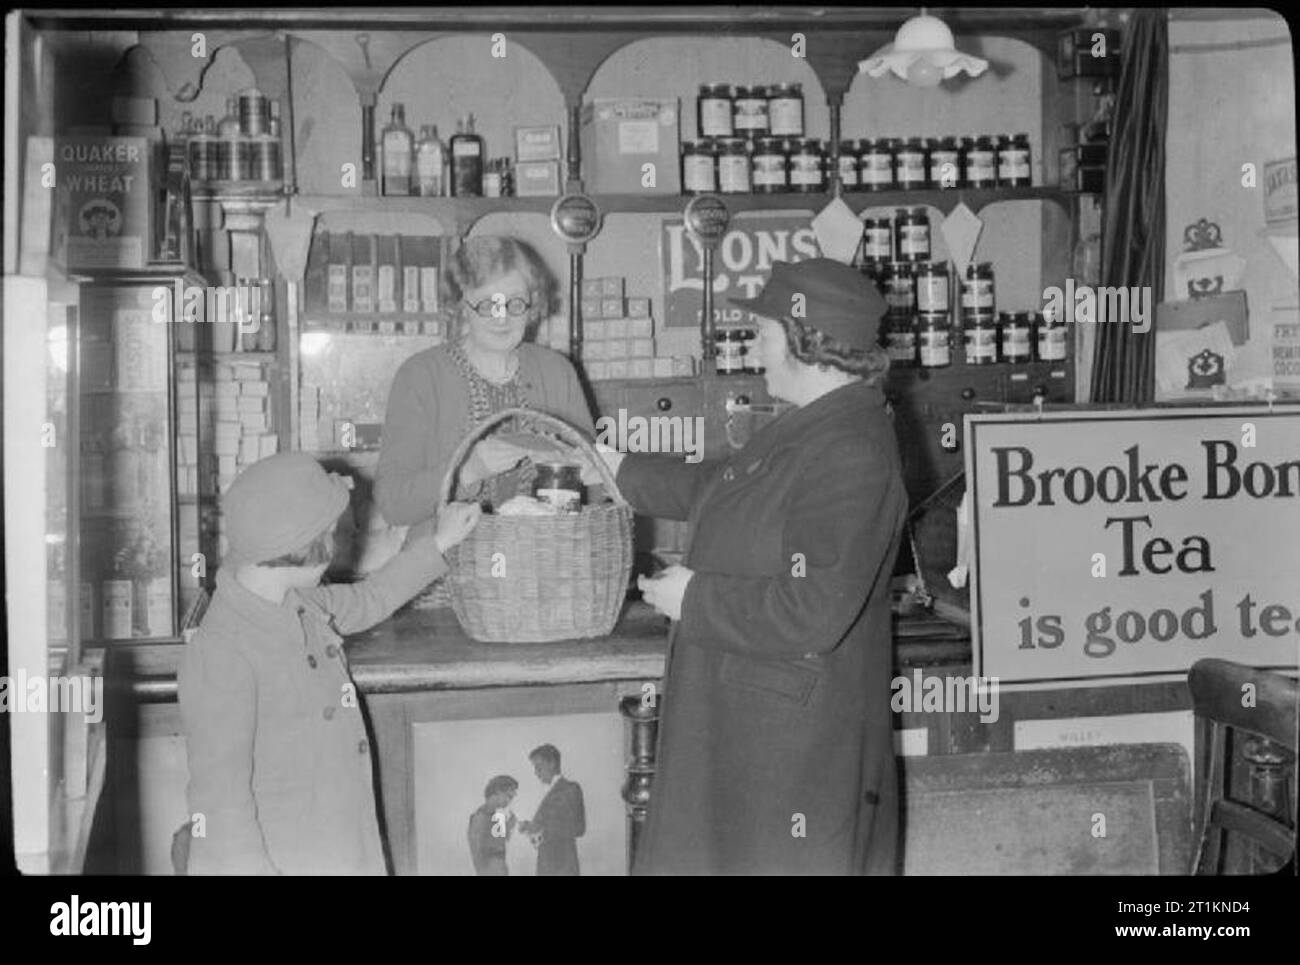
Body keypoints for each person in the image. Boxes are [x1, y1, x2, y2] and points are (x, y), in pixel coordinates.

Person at [599, 259, 908, 875]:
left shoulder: (850, 449)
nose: (755, 350)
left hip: (790, 749)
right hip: (757, 728)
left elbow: (812, 610)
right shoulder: (817, 424)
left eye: (763, 334)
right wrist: (614, 468)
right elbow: (723, 487)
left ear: (807, 343)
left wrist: (694, 599)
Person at [178, 453, 482, 874]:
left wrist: (439, 542)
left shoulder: (293, 600)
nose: (343, 543)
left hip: (335, 844)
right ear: (305, 547)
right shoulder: (222, 652)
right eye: (334, 533)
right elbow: (219, 805)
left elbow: (369, 599)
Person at [375, 236, 594, 546]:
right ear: (460, 305)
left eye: (515, 302)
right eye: (488, 303)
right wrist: (467, 470)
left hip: (546, 563)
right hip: (449, 572)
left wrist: (583, 468)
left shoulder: (557, 372)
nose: (502, 317)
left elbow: (600, 484)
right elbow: (393, 504)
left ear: (533, 303)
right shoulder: (421, 376)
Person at [518, 744, 585, 876]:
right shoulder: (548, 792)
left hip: (563, 868)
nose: (536, 773)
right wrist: (530, 829)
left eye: (538, 767)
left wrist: (540, 829)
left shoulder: (571, 788)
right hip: (546, 866)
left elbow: (579, 828)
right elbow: (544, 835)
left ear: (552, 764)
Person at [467, 775, 519, 876]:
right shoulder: (480, 816)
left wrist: (510, 825)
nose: (509, 802)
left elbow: (502, 841)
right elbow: (476, 852)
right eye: (508, 796)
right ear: (497, 792)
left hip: (500, 869)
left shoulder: (498, 816)